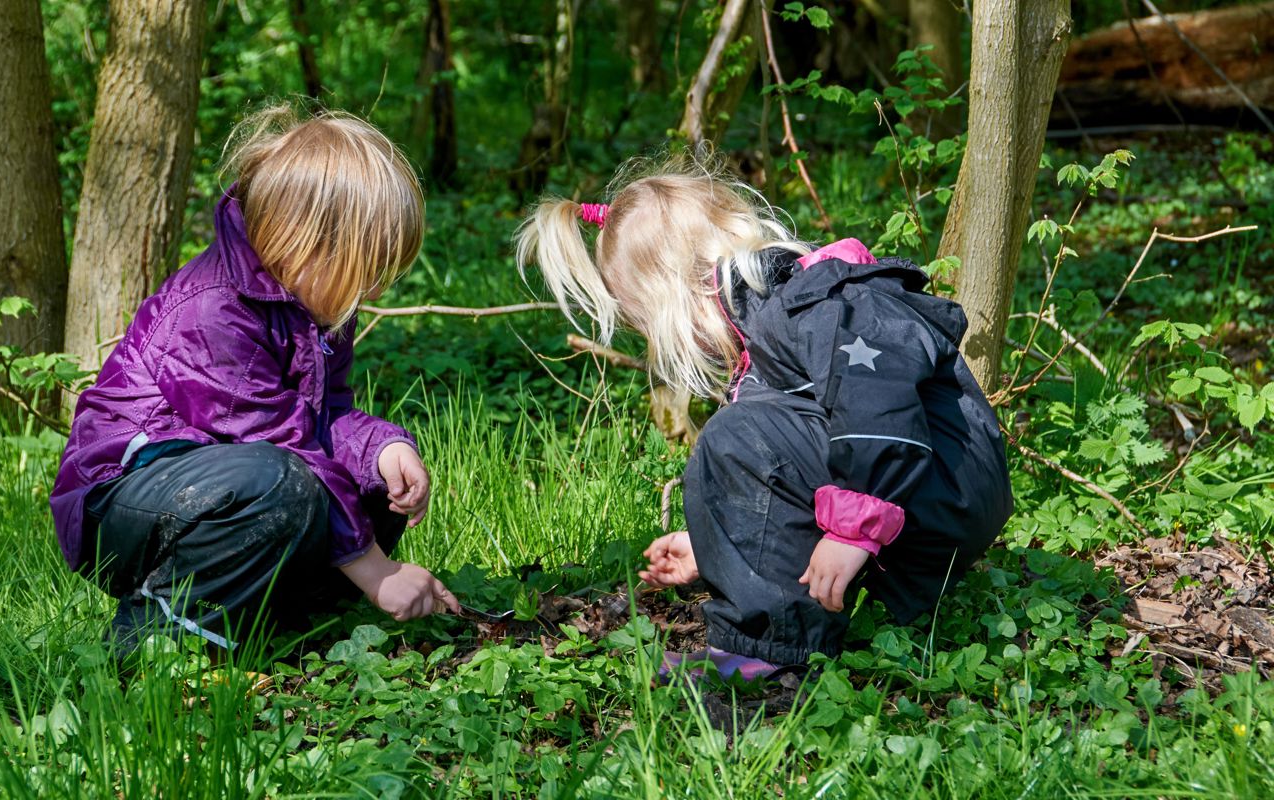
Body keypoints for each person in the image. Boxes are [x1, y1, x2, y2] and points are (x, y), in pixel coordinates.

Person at [515, 152, 1013, 679]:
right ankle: (779, 620)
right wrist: (717, 548)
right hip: (923, 492)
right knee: (745, 434)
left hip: (940, 483)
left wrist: (853, 530)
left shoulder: (815, 302)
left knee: (737, 435)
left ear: (682, 296)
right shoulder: (775, 328)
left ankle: (768, 646)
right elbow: (789, 476)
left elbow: (880, 405)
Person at [51, 107, 460, 656]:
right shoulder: (214, 309)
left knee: (363, 480)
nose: (374, 293)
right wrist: (377, 571)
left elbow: (321, 417)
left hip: (231, 479)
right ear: (305, 244)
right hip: (122, 500)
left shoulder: (320, 303)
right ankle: (152, 642)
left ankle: (282, 618)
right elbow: (278, 440)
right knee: (282, 481)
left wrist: (382, 448)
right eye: (367, 271)